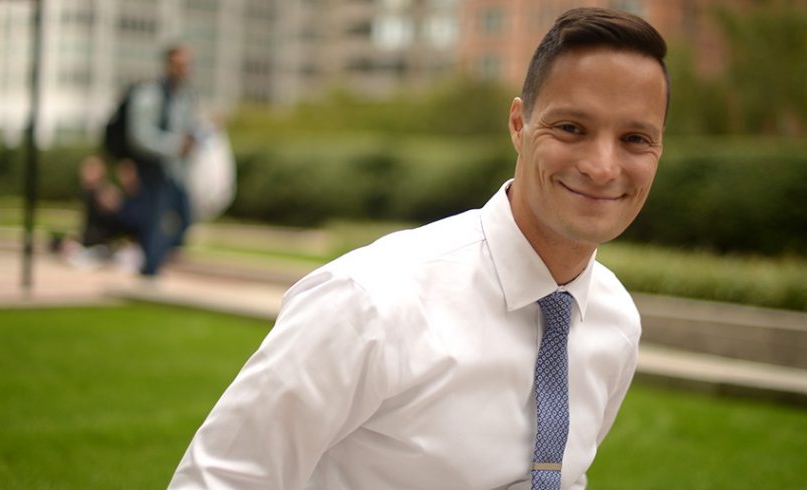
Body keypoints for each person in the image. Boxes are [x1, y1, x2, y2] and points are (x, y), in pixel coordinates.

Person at [168, 7, 669, 490]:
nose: (603, 166)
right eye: (571, 128)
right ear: (519, 126)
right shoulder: (369, 302)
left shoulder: (615, 322)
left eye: (634, 138)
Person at [125, 44, 204, 277]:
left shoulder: (187, 95)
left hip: (176, 169)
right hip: (152, 167)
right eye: (180, 64)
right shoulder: (149, 94)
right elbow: (140, 136)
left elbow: (189, 127)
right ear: (168, 65)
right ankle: (150, 267)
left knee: (184, 217)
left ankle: (153, 259)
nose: (185, 69)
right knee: (154, 218)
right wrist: (175, 145)